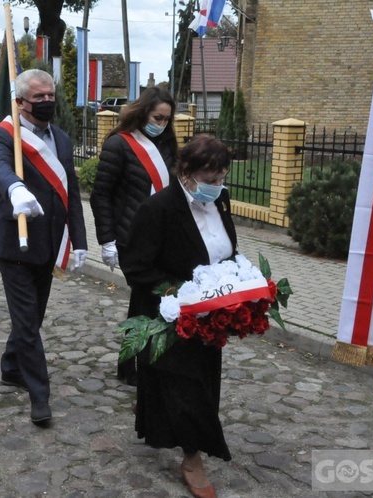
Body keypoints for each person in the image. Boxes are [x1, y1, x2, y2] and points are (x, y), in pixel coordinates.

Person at [121, 136, 236, 498]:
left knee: (203, 381)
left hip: (211, 316)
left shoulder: (221, 200)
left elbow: (227, 248)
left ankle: (160, 410)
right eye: (210, 179)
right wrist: (179, 292)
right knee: (187, 388)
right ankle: (192, 458)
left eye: (222, 179)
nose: (217, 187)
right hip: (170, 317)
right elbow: (136, 267)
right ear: (185, 173)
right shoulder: (158, 209)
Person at [0, 69, 87, 426]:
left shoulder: (59, 137)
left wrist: (80, 241)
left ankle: (11, 366)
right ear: (20, 102)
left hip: (48, 243)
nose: (46, 102)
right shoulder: (3, 135)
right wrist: (14, 188)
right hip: (14, 243)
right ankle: (39, 394)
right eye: (38, 97)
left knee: (33, 316)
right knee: (27, 321)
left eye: (50, 96)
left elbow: (71, 192)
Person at [90, 86, 178, 386]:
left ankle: (135, 365)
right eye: (157, 117)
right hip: (131, 239)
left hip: (164, 239)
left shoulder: (167, 144)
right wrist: (107, 240)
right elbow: (100, 195)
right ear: (142, 113)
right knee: (146, 299)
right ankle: (138, 367)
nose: (162, 124)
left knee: (147, 302)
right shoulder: (119, 144)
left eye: (167, 119)